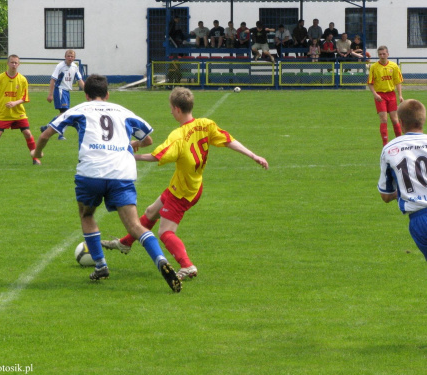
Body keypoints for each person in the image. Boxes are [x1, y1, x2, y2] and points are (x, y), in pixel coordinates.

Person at [32, 74, 182, 293]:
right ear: (108, 94)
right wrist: (131, 144)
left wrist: (37, 153)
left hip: (91, 172)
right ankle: (160, 259)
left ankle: (101, 265)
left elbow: (46, 134)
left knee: (87, 214)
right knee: (134, 226)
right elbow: (148, 138)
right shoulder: (123, 112)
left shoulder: (79, 109)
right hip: (122, 172)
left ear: (86, 94)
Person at [100, 87, 269, 281]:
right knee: (150, 212)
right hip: (191, 185)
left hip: (183, 192)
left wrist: (130, 155)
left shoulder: (178, 136)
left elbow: (157, 156)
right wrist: (253, 155)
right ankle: (125, 243)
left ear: (177, 109)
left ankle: (187, 265)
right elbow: (229, 140)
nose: (170, 112)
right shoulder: (205, 124)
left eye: (171, 108)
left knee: (165, 232)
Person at [378, 99, 427, 261]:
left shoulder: (390, 149)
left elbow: (386, 196)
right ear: (423, 119)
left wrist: (404, 190)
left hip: (420, 219)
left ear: (400, 122)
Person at [0, 54, 41, 166]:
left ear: (18, 64)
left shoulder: (22, 79)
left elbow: (25, 98)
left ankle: (35, 158)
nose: (14, 65)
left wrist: (15, 103)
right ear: (7, 63)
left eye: (16, 63)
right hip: (3, 113)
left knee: (27, 133)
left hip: (19, 112)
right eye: (12, 62)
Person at [41, 49, 85, 141]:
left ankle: (47, 128)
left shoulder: (75, 67)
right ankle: (60, 134)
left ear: (74, 58)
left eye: (72, 56)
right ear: (65, 57)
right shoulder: (60, 66)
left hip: (67, 92)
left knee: (64, 113)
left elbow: (80, 80)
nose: (70, 58)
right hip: (60, 90)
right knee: (65, 113)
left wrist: (87, 91)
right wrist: (50, 94)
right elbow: (53, 80)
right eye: (68, 56)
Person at [368, 45, 404, 146]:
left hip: (391, 95)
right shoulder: (374, 67)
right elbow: (370, 83)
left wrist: (400, 95)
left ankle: (399, 141)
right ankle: (385, 144)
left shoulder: (394, 66)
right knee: (384, 119)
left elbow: (398, 82)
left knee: (394, 119)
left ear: (388, 54)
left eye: (384, 54)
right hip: (380, 96)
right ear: (378, 55)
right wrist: (375, 94)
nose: (382, 56)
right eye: (380, 54)